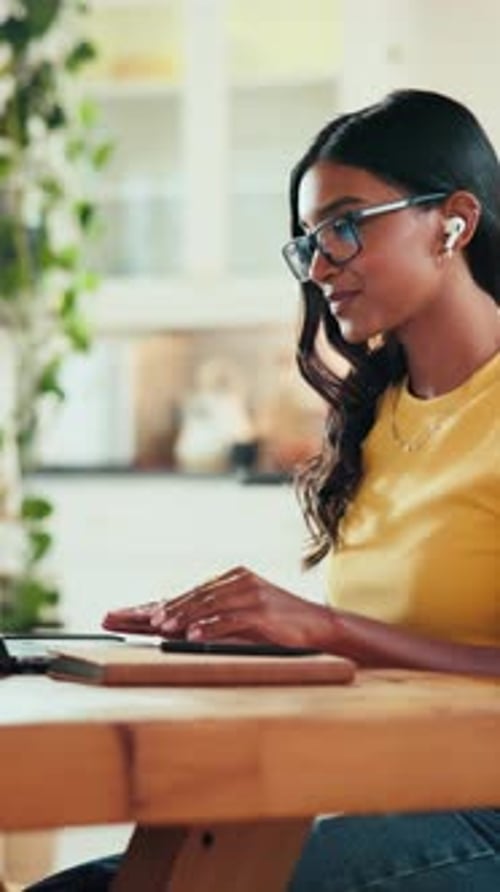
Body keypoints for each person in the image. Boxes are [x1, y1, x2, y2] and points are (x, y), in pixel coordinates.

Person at [27, 88, 500, 891]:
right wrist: (257, 637)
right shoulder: (377, 416)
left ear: (452, 222)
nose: (318, 267)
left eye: (345, 225)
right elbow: (400, 647)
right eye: (309, 241)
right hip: (376, 793)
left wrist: (324, 625)